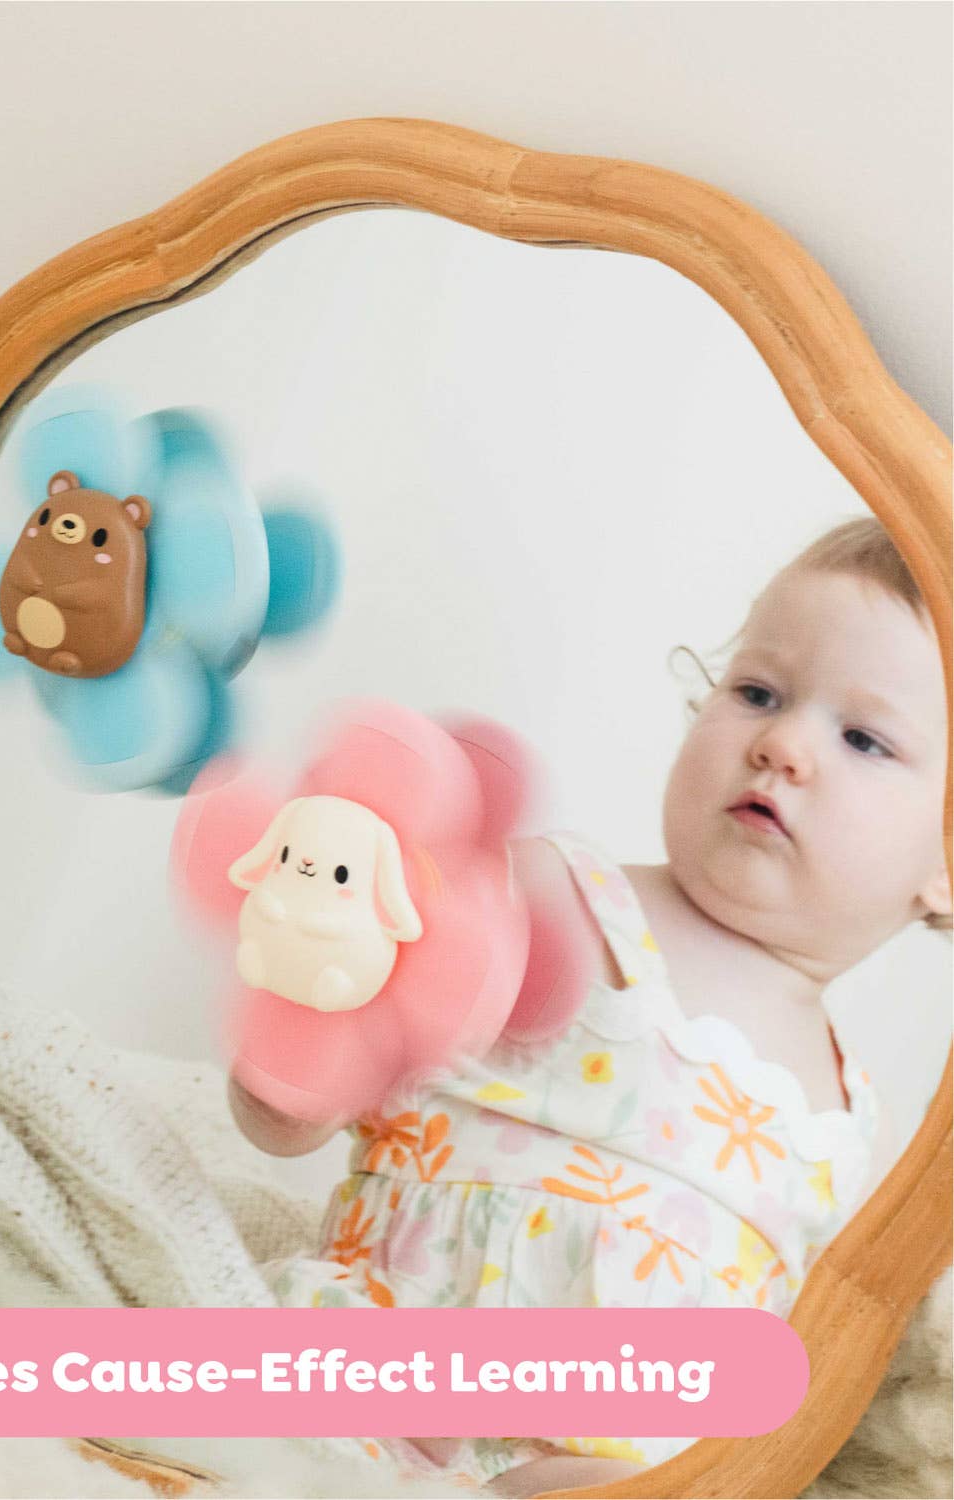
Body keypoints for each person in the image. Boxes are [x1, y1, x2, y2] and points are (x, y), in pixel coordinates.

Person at [234, 516, 949, 1495]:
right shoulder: (546, 897)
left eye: (863, 737)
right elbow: (300, 1099)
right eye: (756, 692)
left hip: (616, 1465)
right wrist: (297, 1033)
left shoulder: (852, 1124)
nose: (782, 743)